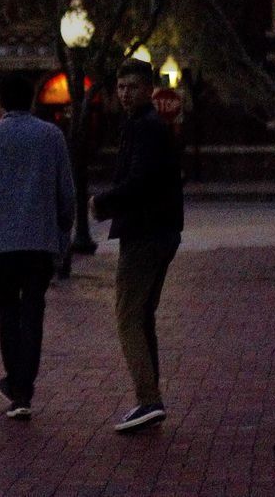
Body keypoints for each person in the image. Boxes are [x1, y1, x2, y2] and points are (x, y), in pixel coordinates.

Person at [0, 73, 75, 420]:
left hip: (2, 242)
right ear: (32, 100)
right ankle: (24, 387)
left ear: (0, 100)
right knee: (33, 313)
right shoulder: (51, 136)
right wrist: (63, 231)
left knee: (8, 313)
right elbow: (66, 194)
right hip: (40, 241)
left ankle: (17, 386)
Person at [90, 58, 184, 433]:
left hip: (146, 234)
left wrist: (102, 203)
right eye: (121, 86)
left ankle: (148, 400)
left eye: (133, 86)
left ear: (149, 89)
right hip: (157, 231)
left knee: (127, 315)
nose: (126, 93)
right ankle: (149, 399)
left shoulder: (145, 128)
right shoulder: (142, 126)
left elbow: (140, 182)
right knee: (142, 315)